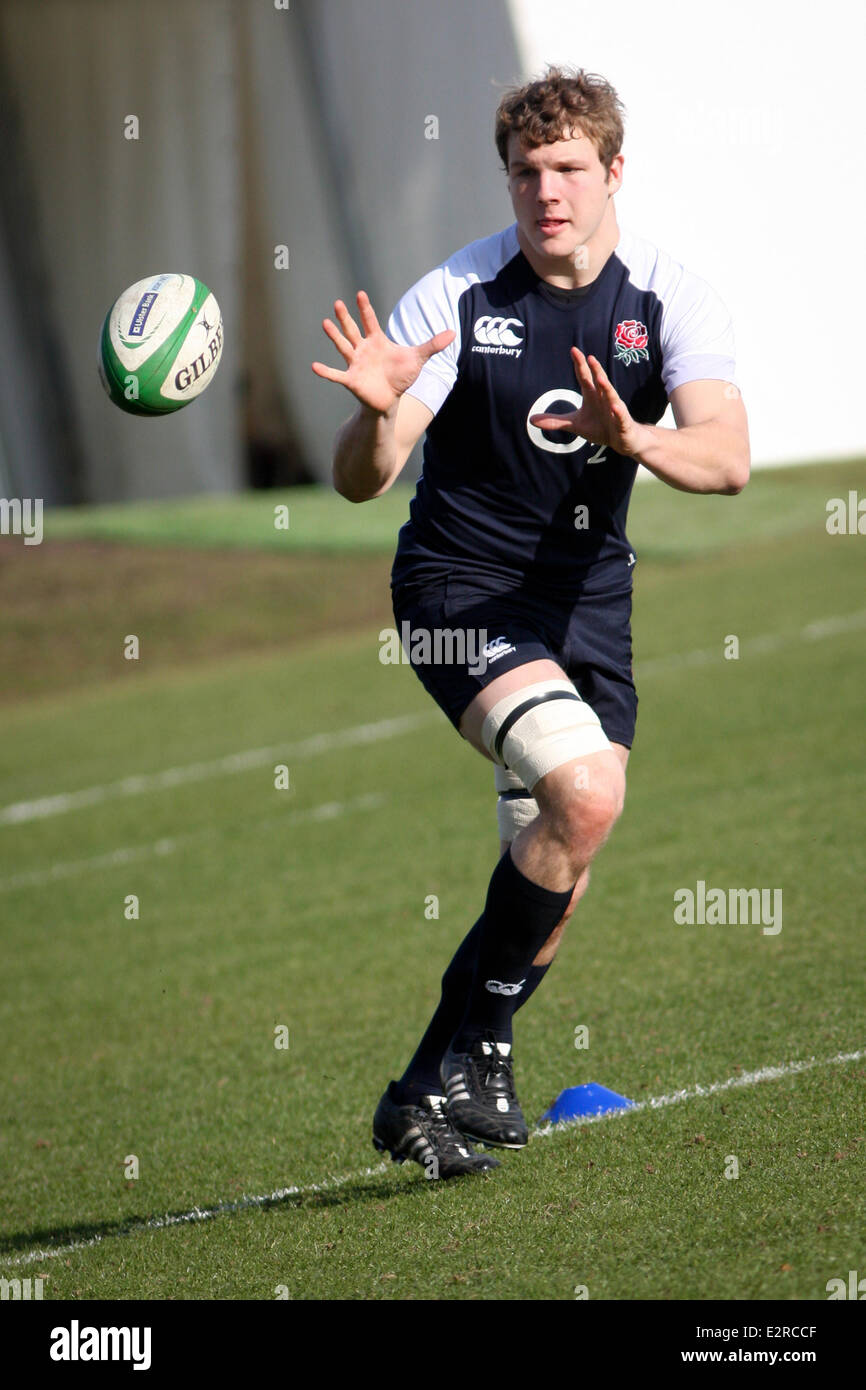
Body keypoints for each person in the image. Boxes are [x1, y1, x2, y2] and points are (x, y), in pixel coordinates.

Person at [312, 66, 750, 1179]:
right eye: (524, 172)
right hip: (460, 594)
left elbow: (726, 459)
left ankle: (433, 1080)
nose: (544, 191)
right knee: (584, 791)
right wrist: (373, 418)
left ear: (612, 173)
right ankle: (469, 1056)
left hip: (587, 602)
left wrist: (635, 437)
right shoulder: (454, 296)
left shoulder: (668, 300)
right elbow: (364, 482)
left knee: (563, 847)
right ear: (505, 181)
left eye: (566, 169)